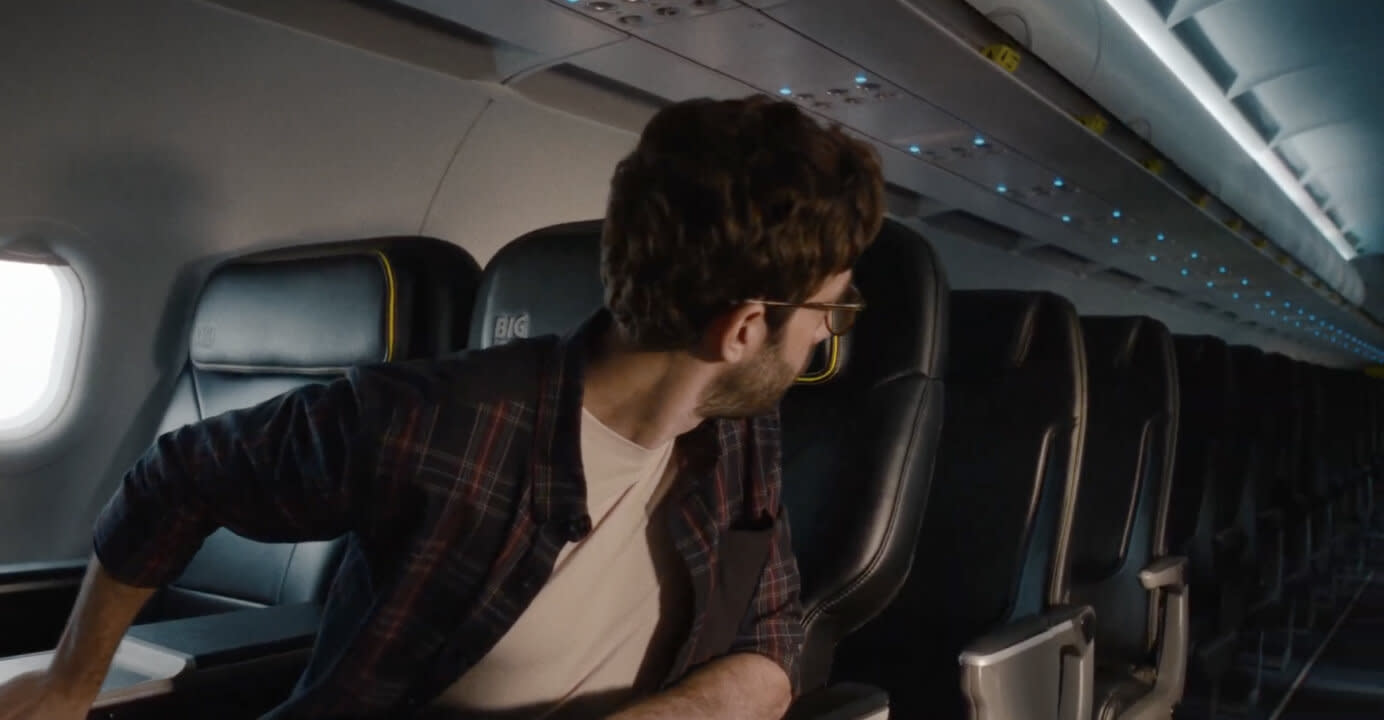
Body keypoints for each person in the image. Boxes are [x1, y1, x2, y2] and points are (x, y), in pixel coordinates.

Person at [0, 94, 884, 719]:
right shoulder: (437, 423)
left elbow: (770, 637)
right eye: (828, 309)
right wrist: (72, 685)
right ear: (743, 328)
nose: (826, 337)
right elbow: (178, 477)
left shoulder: (742, 432)